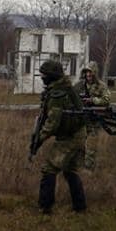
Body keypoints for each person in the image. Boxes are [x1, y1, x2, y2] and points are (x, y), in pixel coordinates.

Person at [34, 60, 87, 214]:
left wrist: (39, 139)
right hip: (76, 133)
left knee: (49, 168)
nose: (42, 78)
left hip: (70, 137)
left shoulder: (57, 94)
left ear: (51, 76)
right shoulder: (64, 88)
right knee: (70, 170)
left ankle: (45, 207)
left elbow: (52, 123)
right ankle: (80, 207)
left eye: (44, 76)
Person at [75, 61, 111, 169]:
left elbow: (107, 100)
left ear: (95, 73)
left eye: (90, 72)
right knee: (78, 144)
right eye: (86, 72)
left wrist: (93, 100)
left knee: (90, 145)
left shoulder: (101, 86)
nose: (88, 75)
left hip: (94, 120)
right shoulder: (79, 85)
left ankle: (89, 170)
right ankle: (78, 167)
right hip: (80, 120)